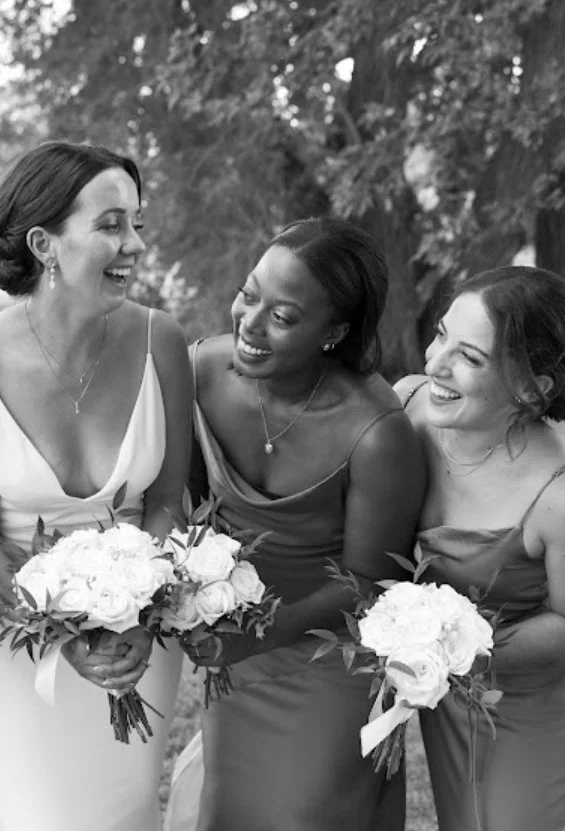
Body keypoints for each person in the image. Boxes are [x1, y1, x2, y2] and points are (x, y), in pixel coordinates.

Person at [0, 141, 192, 831]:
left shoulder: (160, 341)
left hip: (143, 629)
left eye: (136, 222)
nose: (133, 243)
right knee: (40, 813)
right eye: (111, 224)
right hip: (12, 625)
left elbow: (169, 500)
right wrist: (62, 626)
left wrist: (140, 607)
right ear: (46, 242)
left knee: (127, 810)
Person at [165, 218, 426, 831]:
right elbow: (183, 509)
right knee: (232, 809)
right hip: (234, 650)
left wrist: (257, 632)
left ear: (334, 332)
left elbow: (367, 583)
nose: (249, 324)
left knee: (307, 814)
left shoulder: (376, 431)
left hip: (326, 659)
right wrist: (194, 597)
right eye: (248, 294)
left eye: (281, 317)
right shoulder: (201, 370)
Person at [394, 266, 565, 831]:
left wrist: (452, 654)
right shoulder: (410, 407)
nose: (434, 364)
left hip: (536, 701)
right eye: (440, 335)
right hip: (445, 690)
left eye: (469, 357)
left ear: (532, 387)